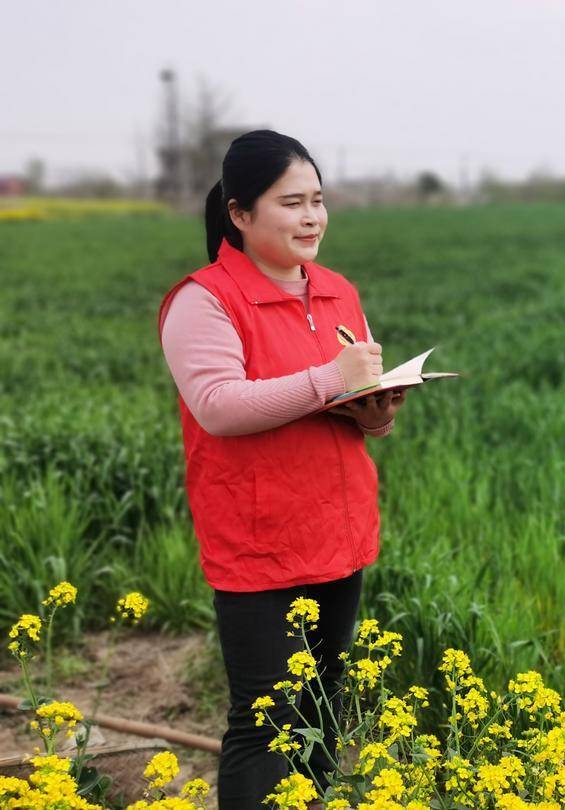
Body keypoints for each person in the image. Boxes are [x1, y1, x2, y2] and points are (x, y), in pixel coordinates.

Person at [158, 130, 405, 807]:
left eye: (318, 201)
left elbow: (357, 411)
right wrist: (330, 378)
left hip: (339, 529)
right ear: (239, 214)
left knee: (324, 705)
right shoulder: (203, 300)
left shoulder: (336, 292)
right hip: (258, 539)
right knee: (264, 721)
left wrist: (375, 410)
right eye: (291, 202)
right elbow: (217, 406)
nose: (311, 217)